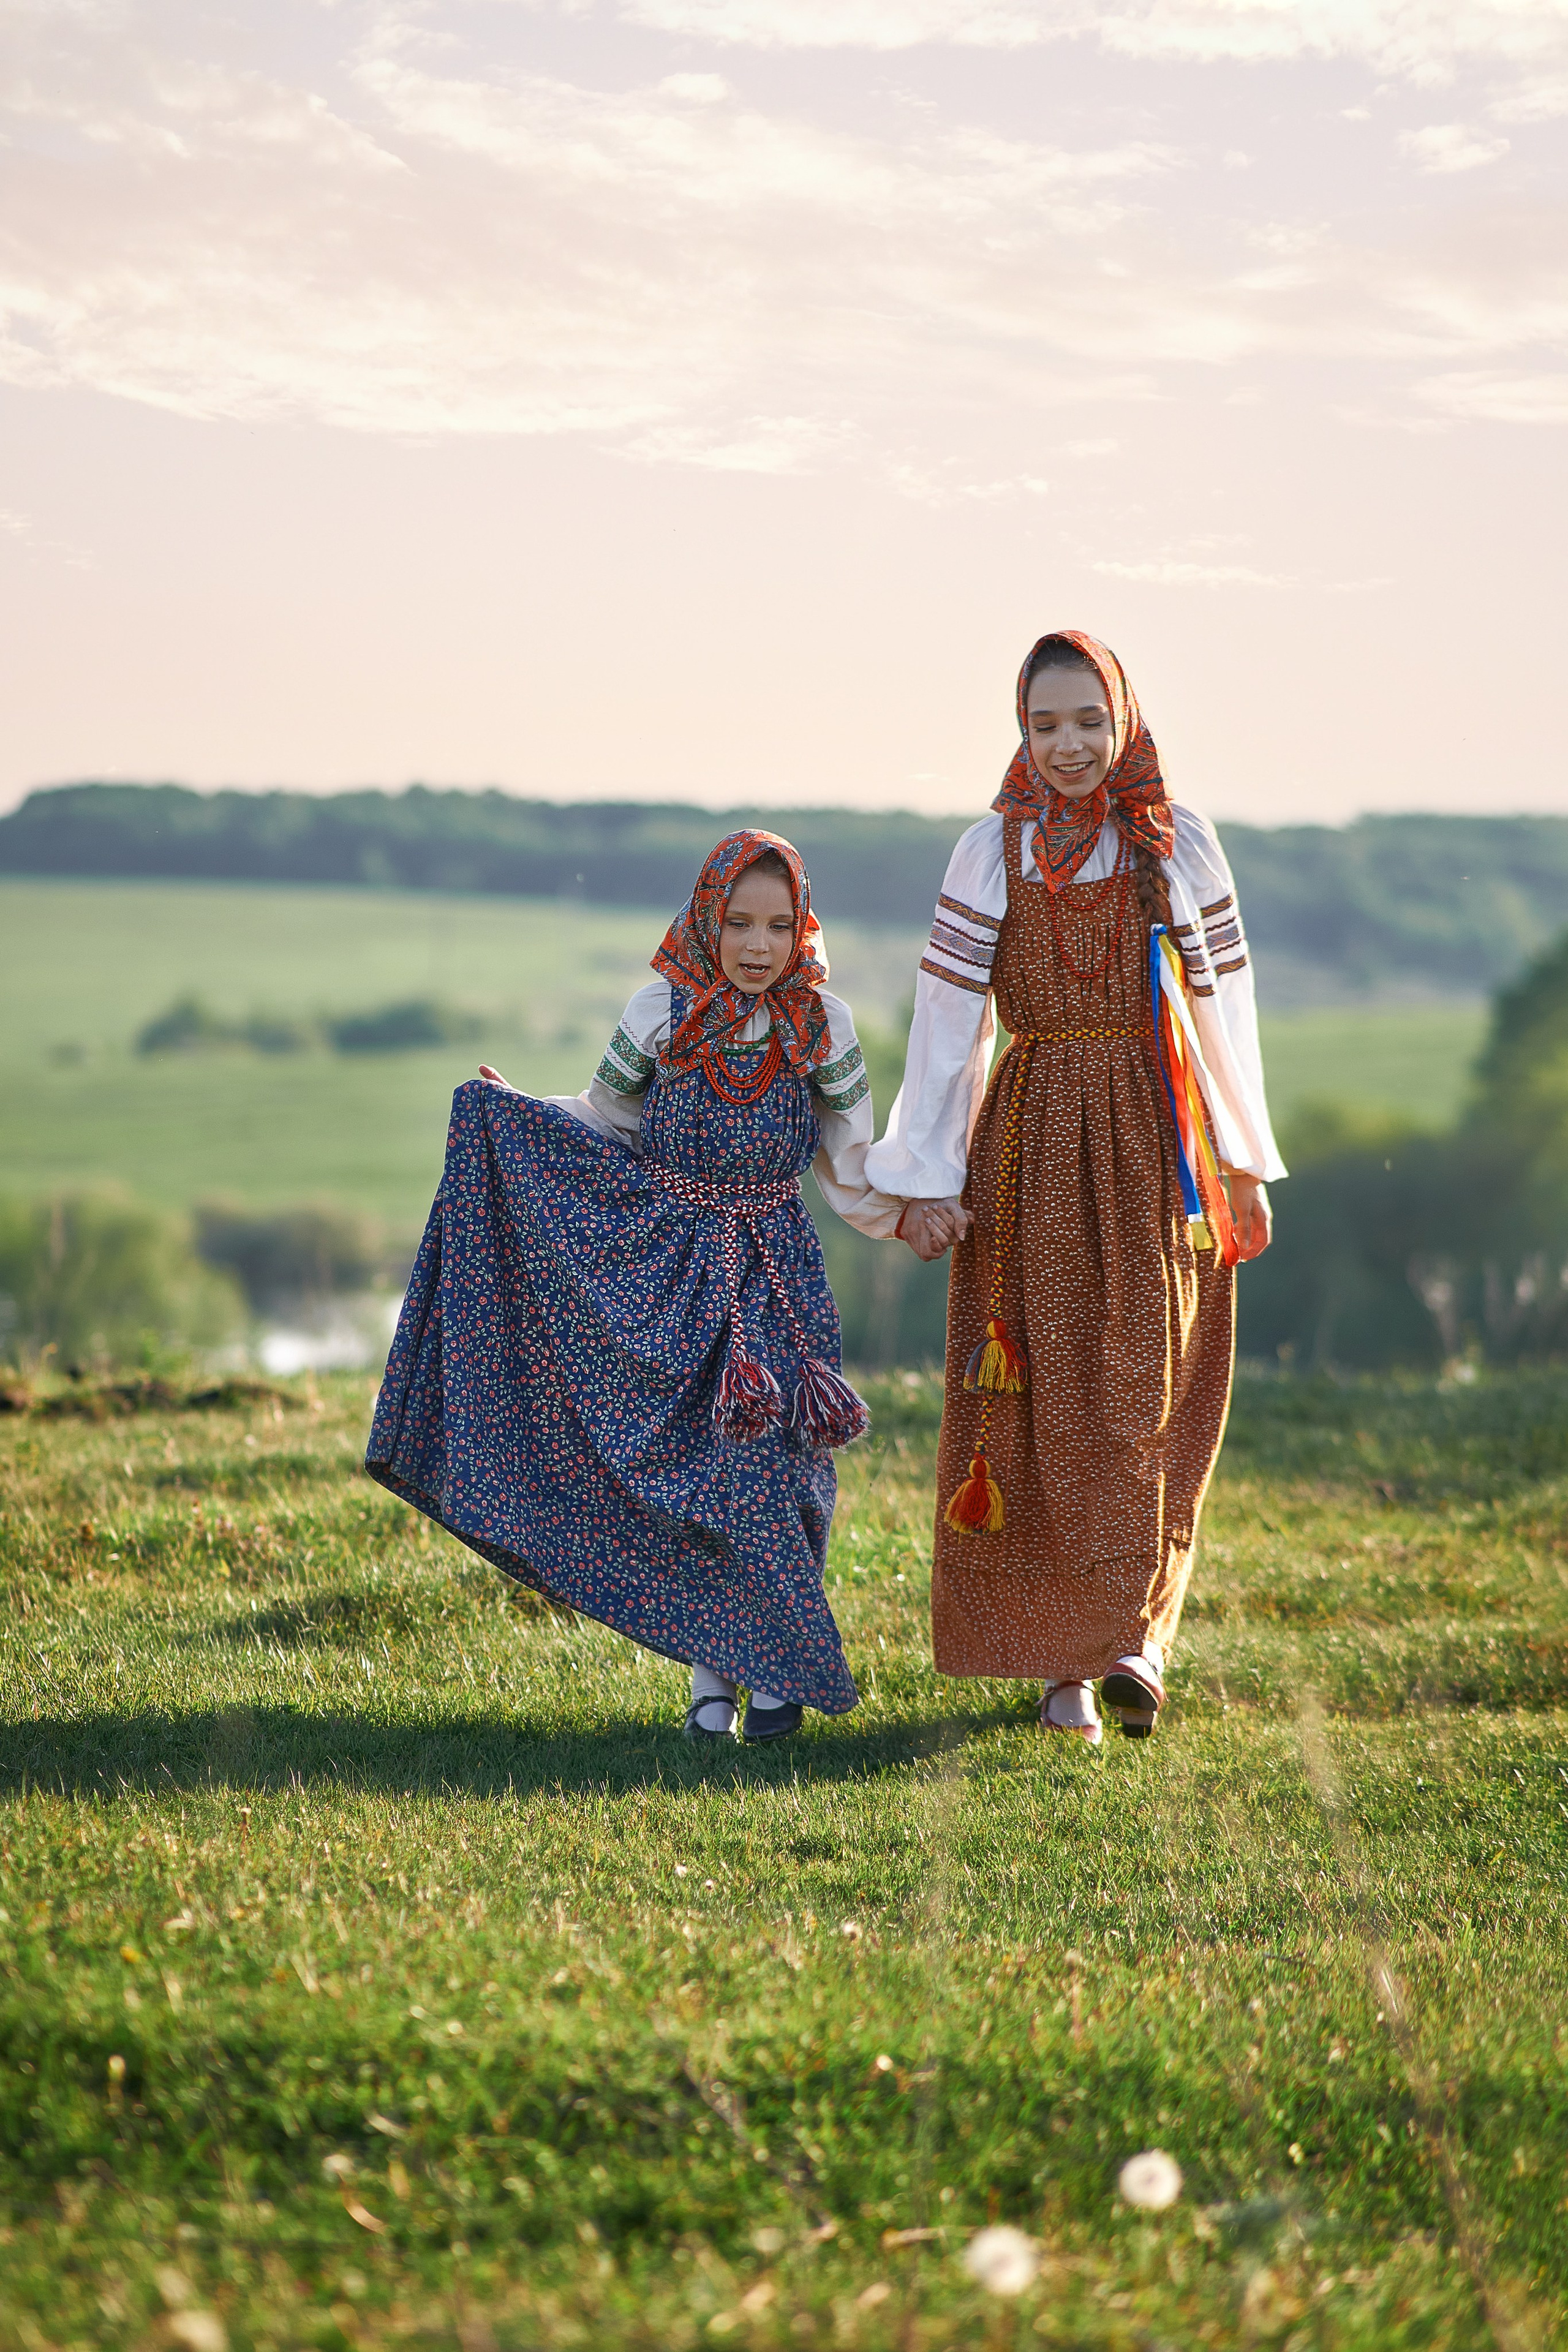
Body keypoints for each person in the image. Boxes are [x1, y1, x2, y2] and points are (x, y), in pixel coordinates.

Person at [367, 831, 900, 1744]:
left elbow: (852, 1161)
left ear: (801, 925)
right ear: (707, 918)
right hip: (669, 1267)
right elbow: (606, 1118)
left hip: (777, 1272)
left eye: (779, 923)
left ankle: (771, 1673)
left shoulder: (824, 1026)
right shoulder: (661, 1009)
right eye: (739, 922)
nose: (759, 945)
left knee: (782, 1474)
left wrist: (915, 1210)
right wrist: (517, 1115)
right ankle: (714, 1686)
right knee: (700, 1476)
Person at [865, 630, 1284, 1747]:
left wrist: (1242, 1162)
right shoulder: (989, 852)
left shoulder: (1174, 844)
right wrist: (920, 1176)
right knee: (1041, 1398)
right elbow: (952, 1023)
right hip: (1032, 1133)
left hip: (1156, 1132)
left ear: (1125, 720)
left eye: (1088, 721)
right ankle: (1064, 1673)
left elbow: (1221, 1014)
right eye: (1045, 725)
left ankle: (1134, 1635)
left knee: (1143, 1383)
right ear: (1021, 731)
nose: (1068, 746)